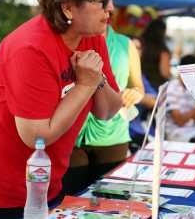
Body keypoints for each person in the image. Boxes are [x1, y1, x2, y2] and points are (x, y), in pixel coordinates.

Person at [0, 0, 123, 218]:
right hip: (1, 170)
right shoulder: (30, 48)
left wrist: (97, 79)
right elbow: (37, 136)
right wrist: (85, 84)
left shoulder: (91, 38)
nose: (111, 6)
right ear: (68, 7)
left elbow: (108, 111)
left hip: (46, 172)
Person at [62, 24, 145, 196]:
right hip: (71, 134)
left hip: (113, 137)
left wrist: (134, 93)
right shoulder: (72, 39)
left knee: (109, 203)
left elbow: (139, 88)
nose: (108, 10)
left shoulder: (125, 45)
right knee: (69, 200)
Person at [165, 54, 195, 141]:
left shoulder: (192, 88)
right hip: (177, 134)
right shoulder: (171, 89)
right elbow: (180, 121)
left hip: (193, 131)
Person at [140, 19, 171, 89]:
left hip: (139, 84)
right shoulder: (163, 50)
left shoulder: (140, 45)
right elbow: (165, 73)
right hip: (156, 87)